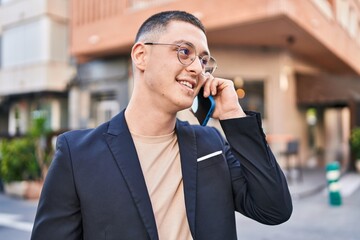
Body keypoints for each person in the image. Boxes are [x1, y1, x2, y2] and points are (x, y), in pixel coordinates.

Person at [31, 10, 292, 240]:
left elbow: (274, 209)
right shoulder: (77, 154)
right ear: (141, 55)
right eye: (184, 52)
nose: (198, 69)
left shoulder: (210, 143)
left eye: (203, 60)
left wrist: (234, 115)